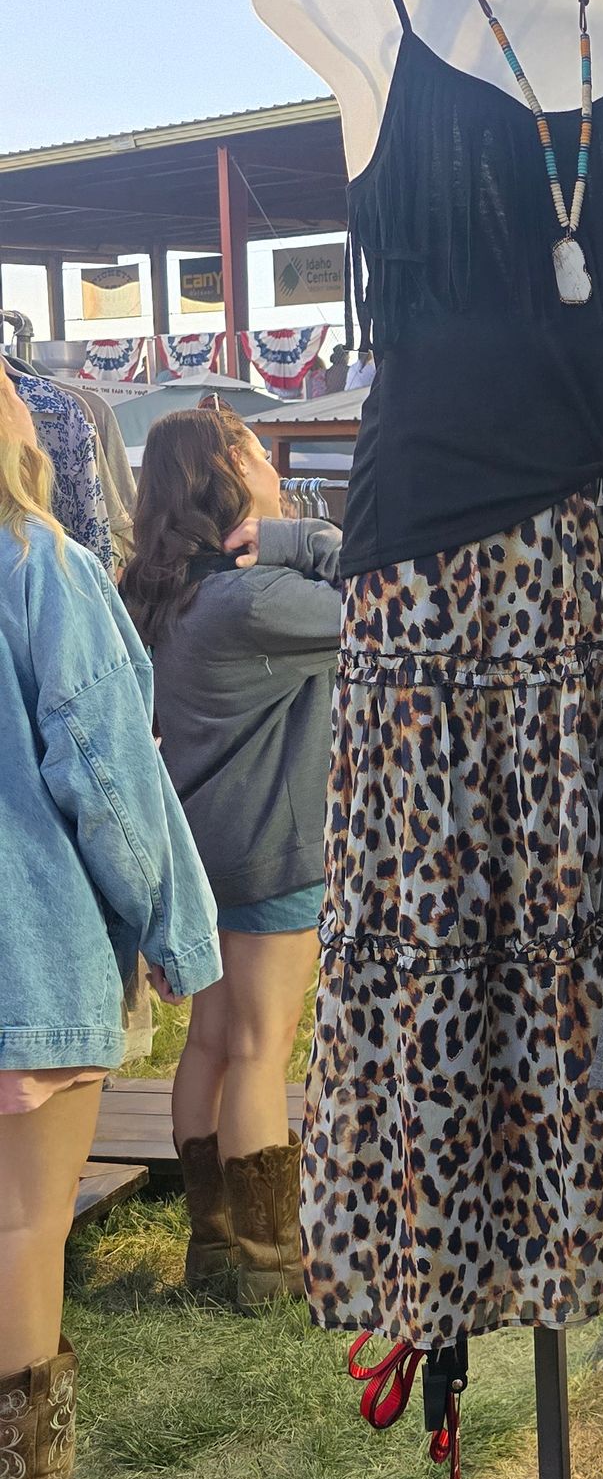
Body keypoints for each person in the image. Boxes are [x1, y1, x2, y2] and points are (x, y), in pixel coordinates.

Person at [0, 362, 220, 1479]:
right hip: (25, 958)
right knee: (27, 1220)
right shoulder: (40, 567)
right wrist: (179, 935)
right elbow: (110, 778)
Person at [121, 404, 341, 1306]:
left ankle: (211, 1243)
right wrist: (295, 538)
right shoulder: (255, 598)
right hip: (272, 851)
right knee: (261, 1048)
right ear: (220, 477)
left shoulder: (165, 591)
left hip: (201, 846)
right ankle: (264, 1262)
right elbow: (388, 599)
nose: (267, 460)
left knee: (210, 1043)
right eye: (251, 449)